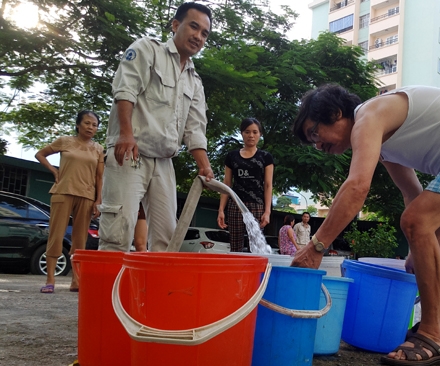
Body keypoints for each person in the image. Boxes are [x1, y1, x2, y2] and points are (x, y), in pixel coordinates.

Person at [291, 84, 440, 366]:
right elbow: (411, 194)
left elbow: (356, 187)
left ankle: (433, 332)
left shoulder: (367, 115)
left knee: (417, 221)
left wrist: (317, 246)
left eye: (315, 133)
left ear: (336, 113)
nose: (318, 145)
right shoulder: (384, 139)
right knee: (427, 226)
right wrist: (418, 245)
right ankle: (435, 328)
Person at [99, 2, 214, 253]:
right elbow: (125, 90)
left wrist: (204, 166)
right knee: (119, 230)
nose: (198, 36)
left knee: (167, 238)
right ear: (175, 25)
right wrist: (125, 135)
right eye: (193, 27)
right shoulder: (147, 50)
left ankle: (154, 292)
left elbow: (195, 127)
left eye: (204, 33)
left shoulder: (194, 80)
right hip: (130, 151)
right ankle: (106, 291)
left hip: (163, 161)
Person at [35, 110, 104, 293]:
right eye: (87, 123)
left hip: (87, 196)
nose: (90, 127)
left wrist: (98, 199)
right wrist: (55, 171)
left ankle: (76, 280)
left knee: (80, 240)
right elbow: (40, 154)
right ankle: (50, 280)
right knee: (56, 235)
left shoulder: (98, 149)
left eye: (94, 125)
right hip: (63, 192)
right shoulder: (65, 141)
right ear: (78, 124)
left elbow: (99, 177)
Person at [217, 118, 274, 252]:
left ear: (260, 134)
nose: (251, 135)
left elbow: (268, 185)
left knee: (255, 246)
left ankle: (254, 272)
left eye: (255, 132)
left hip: (257, 206)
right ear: (242, 133)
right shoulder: (232, 156)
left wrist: (267, 211)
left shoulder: (265, 157)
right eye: (247, 132)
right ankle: (235, 272)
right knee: (235, 246)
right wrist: (221, 209)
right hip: (235, 205)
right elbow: (227, 184)